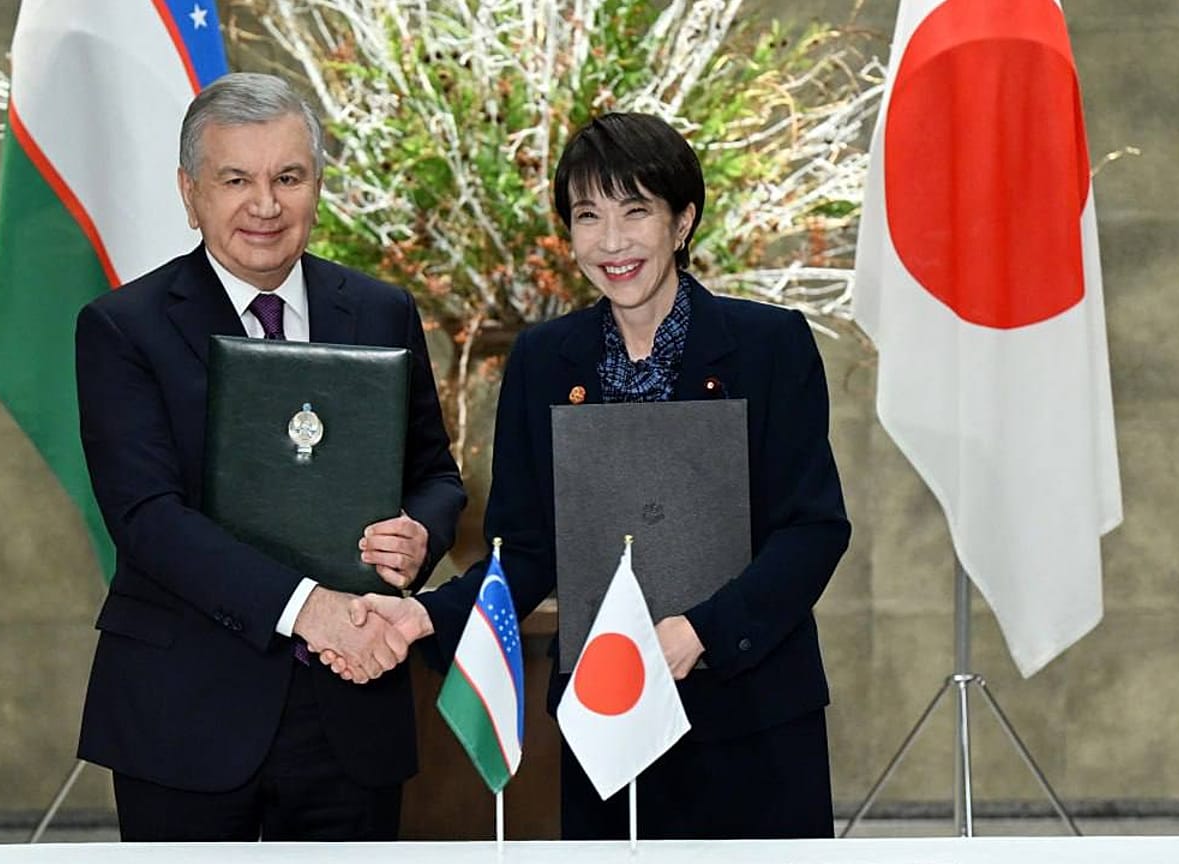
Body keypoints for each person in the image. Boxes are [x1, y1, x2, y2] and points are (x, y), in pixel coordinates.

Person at [341, 113, 849, 839]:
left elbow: (811, 530)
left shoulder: (768, 348)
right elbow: (525, 551)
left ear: (682, 223)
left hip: (753, 719)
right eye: (588, 216)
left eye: (636, 210)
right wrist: (427, 614)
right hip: (602, 718)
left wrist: (698, 632)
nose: (611, 242)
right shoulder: (546, 361)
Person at [73, 72, 466, 842]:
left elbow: (436, 475)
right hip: (184, 716)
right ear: (190, 194)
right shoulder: (125, 328)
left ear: (317, 184)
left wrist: (420, 533)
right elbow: (147, 519)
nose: (265, 204)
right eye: (235, 180)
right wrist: (309, 609)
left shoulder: (380, 310)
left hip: (353, 703)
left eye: (288, 177)